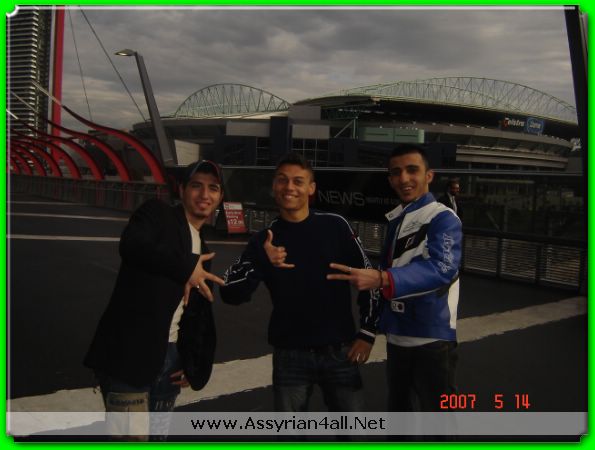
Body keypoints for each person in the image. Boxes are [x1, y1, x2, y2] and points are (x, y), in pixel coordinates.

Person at [220, 152, 379, 413]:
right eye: (282, 180)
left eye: (298, 181)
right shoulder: (264, 240)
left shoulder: (336, 226)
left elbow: (370, 277)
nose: (289, 187)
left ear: (311, 188)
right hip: (289, 354)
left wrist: (368, 333)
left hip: (339, 350)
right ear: (274, 186)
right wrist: (262, 260)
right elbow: (231, 293)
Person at [84, 160, 225, 440]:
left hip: (170, 360)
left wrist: (191, 362)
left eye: (213, 188)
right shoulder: (157, 214)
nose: (204, 194)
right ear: (181, 190)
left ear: (220, 197)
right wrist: (186, 266)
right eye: (196, 186)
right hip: (129, 356)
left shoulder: (204, 248)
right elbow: (132, 245)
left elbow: (194, 315)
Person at [327, 144, 462, 412]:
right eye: (396, 172)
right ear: (389, 180)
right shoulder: (398, 219)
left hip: (432, 341)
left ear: (429, 175)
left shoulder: (443, 217)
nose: (403, 178)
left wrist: (382, 278)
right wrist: (369, 331)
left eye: (412, 170)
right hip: (397, 339)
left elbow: (442, 268)